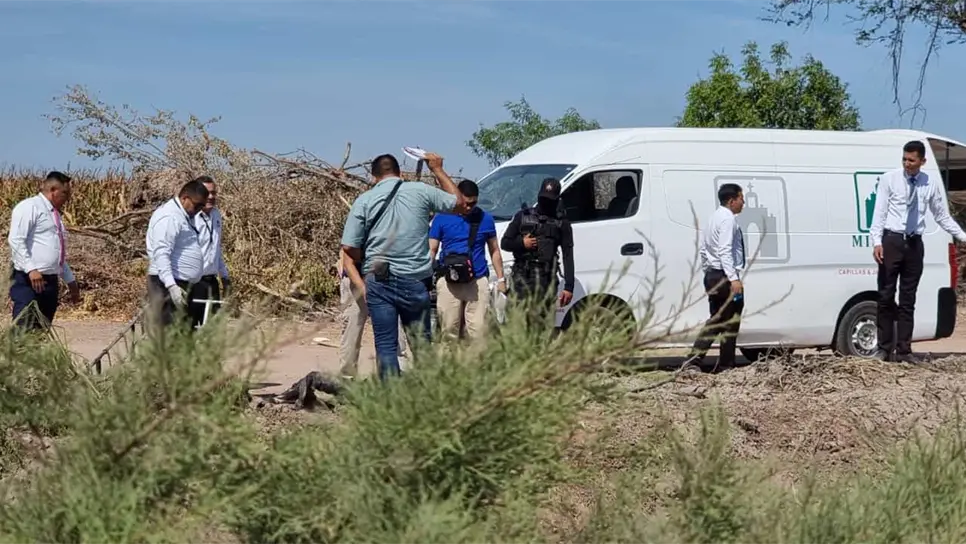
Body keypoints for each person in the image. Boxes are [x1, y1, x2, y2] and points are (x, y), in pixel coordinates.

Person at [340, 152, 468, 380]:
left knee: (386, 346)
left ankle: (391, 400)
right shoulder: (420, 191)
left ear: (373, 177)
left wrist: (366, 273)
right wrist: (437, 169)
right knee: (421, 345)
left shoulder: (365, 200)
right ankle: (427, 399)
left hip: (379, 280)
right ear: (400, 173)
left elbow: (349, 248)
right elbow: (458, 203)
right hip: (415, 280)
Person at [870, 140, 966, 363]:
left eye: (912, 160)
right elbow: (879, 212)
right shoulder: (889, 179)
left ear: (922, 161)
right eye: (904, 159)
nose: (907, 164)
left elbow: (942, 216)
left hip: (914, 244)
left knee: (908, 299)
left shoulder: (928, 183)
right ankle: (884, 348)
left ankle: (904, 350)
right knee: (885, 295)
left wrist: (962, 236)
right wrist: (877, 241)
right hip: (891, 240)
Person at [429, 179, 506, 340]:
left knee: (478, 331)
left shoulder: (485, 219)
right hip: (449, 281)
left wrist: (501, 279)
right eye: (466, 203)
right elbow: (432, 249)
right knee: (449, 330)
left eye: (474, 203)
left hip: (477, 280)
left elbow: (494, 250)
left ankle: (477, 363)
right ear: (457, 197)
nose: (469, 207)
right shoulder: (442, 217)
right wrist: (425, 275)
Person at [684, 183, 746, 372]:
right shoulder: (727, 220)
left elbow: (704, 249)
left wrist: (708, 271)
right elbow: (725, 250)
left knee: (721, 319)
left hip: (713, 274)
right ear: (732, 200)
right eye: (741, 198)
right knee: (725, 320)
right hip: (723, 276)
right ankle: (697, 361)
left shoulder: (713, 218)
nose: (743, 202)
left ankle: (725, 363)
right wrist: (733, 278)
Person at [7, 171, 80, 330]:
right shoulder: (29, 207)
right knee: (24, 327)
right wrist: (31, 269)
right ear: (53, 190)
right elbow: (16, 240)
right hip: (28, 280)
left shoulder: (54, 215)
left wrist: (70, 280)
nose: (68, 198)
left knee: (41, 330)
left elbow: (56, 251)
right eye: (65, 193)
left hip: (50, 281)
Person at [499, 178, 574, 333]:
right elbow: (505, 243)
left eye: (550, 200)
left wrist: (569, 286)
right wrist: (522, 243)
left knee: (541, 327)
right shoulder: (522, 216)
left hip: (546, 280)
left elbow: (567, 254)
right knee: (518, 325)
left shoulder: (562, 223)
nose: (546, 202)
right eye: (543, 199)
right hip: (522, 278)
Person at [145, 179, 209, 332]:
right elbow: (161, 252)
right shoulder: (169, 217)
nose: (199, 209)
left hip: (184, 283)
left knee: (185, 334)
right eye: (197, 204)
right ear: (185, 198)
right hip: (168, 284)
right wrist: (171, 285)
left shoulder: (185, 216)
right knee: (170, 334)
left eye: (202, 206)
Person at [336, 250, 411, 379]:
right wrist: (363, 288)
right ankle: (346, 380)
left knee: (396, 332)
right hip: (356, 277)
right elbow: (347, 255)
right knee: (352, 330)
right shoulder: (358, 229)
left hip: (388, 280)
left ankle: (396, 376)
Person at [189, 176, 230, 329]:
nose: (211, 197)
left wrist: (225, 276)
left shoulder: (216, 215)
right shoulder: (190, 218)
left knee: (213, 329)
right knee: (191, 328)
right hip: (194, 282)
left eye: (214, 193)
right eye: (207, 193)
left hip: (211, 281)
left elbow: (216, 249)